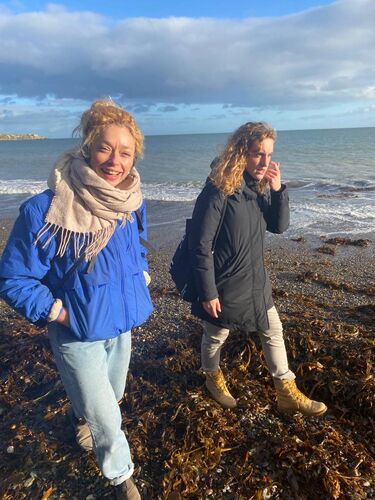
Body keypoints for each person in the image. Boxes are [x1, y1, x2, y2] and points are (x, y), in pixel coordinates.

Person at [0, 99, 153, 499]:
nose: (114, 161)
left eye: (124, 151)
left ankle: (80, 416)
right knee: (106, 416)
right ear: (87, 147)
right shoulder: (47, 208)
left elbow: (137, 246)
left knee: (111, 395)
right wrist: (56, 310)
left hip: (120, 324)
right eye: (104, 148)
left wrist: (141, 276)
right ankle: (122, 478)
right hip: (75, 331)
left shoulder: (131, 202)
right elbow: (14, 277)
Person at [188, 122, 327, 416]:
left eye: (269, 154)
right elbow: (199, 243)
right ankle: (212, 377)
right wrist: (207, 290)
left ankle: (286, 391)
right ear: (240, 153)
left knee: (273, 330)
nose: (265, 162)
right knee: (216, 335)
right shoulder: (219, 188)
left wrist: (278, 191)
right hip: (224, 282)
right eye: (257, 154)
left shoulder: (259, 186)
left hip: (255, 279)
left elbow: (278, 226)